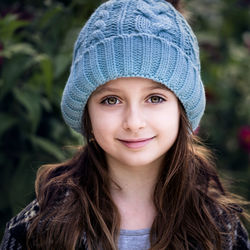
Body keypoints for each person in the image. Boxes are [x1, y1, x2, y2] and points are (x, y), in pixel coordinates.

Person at [1, 0, 250, 249]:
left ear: (181, 109)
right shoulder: (40, 228)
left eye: (155, 98)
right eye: (111, 100)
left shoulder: (219, 230)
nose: (133, 122)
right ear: (86, 109)